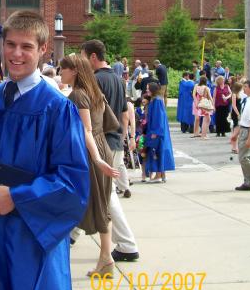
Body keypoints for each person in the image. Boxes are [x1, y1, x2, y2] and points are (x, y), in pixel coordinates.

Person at [0, 11, 89, 290]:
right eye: (10, 44)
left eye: (26, 46)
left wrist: (17, 197)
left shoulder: (57, 109)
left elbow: (73, 183)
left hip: (31, 240)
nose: (15, 54)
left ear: (43, 49)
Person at [60, 53, 119, 277]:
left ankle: (105, 258)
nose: (60, 72)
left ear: (74, 70)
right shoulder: (95, 93)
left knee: (94, 204)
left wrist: (96, 158)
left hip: (91, 151)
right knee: (102, 204)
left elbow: (85, 130)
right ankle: (105, 258)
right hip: (102, 146)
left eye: (63, 69)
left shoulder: (77, 95)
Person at [81, 39, 140, 263]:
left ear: (93, 58)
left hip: (100, 143)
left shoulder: (94, 81)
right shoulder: (117, 79)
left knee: (108, 194)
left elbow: (89, 119)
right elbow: (124, 114)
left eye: (84, 57)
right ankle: (73, 234)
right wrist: (123, 139)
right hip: (114, 142)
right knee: (99, 191)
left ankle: (126, 244)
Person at [145, 83, 175, 182]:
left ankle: (158, 175)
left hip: (157, 131)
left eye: (148, 89)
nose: (147, 90)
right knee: (159, 150)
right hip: (157, 130)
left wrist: (155, 132)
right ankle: (162, 175)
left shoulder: (157, 101)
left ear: (152, 90)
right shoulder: (155, 100)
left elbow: (159, 117)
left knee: (157, 151)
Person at [235, 80, 250, 191]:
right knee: (247, 157)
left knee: (244, 158)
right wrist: (236, 134)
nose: (244, 88)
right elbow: (243, 120)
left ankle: (249, 181)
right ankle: (248, 182)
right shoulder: (247, 100)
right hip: (244, 129)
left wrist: (249, 139)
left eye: (246, 87)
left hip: (248, 131)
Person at [191, 75, 214, 139]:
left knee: (197, 118)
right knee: (205, 119)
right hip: (203, 104)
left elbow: (193, 95)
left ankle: (196, 133)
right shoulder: (206, 88)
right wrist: (213, 104)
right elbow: (210, 97)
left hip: (197, 103)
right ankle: (201, 134)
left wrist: (196, 102)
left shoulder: (196, 86)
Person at [230, 81, 244, 154]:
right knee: (236, 129)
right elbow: (233, 106)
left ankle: (234, 147)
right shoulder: (234, 95)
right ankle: (234, 147)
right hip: (236, 113)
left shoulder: (239, 94)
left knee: (236, 130)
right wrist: (238, 114)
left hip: (239, 112)